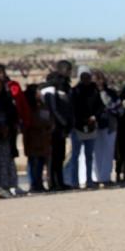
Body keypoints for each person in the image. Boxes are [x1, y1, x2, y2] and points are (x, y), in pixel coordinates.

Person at [66, 68, 104, 188]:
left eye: (87, 76)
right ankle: (74, 181)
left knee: (89, 156)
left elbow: (100, 107)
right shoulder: (75, 91)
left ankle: (89, 180)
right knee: (75, 156)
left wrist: (94, 117)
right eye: (83, 76)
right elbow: (71, 109)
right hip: (77, 127)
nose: (86, 79)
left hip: (91, 126)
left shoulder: (94, 90)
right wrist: (79, 120)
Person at [40, 60, 73, 190]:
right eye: (68, 70)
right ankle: (52, 183)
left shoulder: (64, 85)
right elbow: (53, 109)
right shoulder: (51, 86)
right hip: (54, 128)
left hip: (61, 128)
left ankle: (60, 181)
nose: (69, 73)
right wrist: (63, 122)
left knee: (60, 155)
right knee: (52, 156)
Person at [93, 71, 121, 186]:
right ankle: (96, 177)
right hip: (94, 126)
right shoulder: (90, 93)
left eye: (100, 79)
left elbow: (119, 109)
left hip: (109, 125)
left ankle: (105, 177)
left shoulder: (111, 93)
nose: (99, 81)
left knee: (107, 152)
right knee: (96, 152)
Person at [23, 85, 53, 193]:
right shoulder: (29, 107)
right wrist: (42, 125)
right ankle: (34, 184)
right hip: (33, 137)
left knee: (40, 161)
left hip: (43, 137)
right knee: (33, 162)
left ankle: (39, 183)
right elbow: (31, 122)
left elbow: (47, 116)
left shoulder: (41, 104)